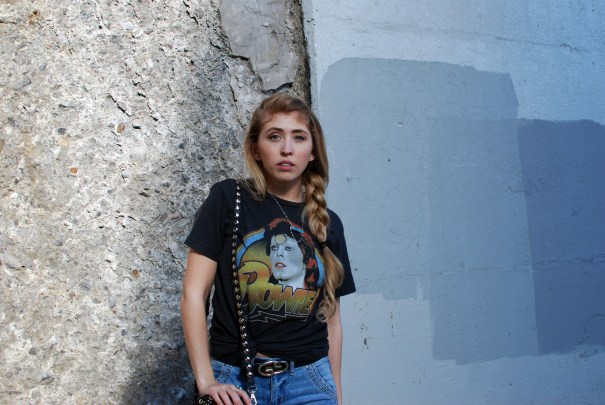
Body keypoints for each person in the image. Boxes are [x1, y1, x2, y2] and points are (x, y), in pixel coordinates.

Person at [181, 93, 356, 405]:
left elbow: (332, 320)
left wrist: (336, 394)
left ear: (312, 152)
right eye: (274, 136)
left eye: (299, 137)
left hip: (310, 383)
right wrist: (206, 380)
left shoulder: (327, 223)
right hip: (235, 381)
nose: (287, 148)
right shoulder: (229, 199)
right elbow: (194, 294)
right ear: (255, 149)